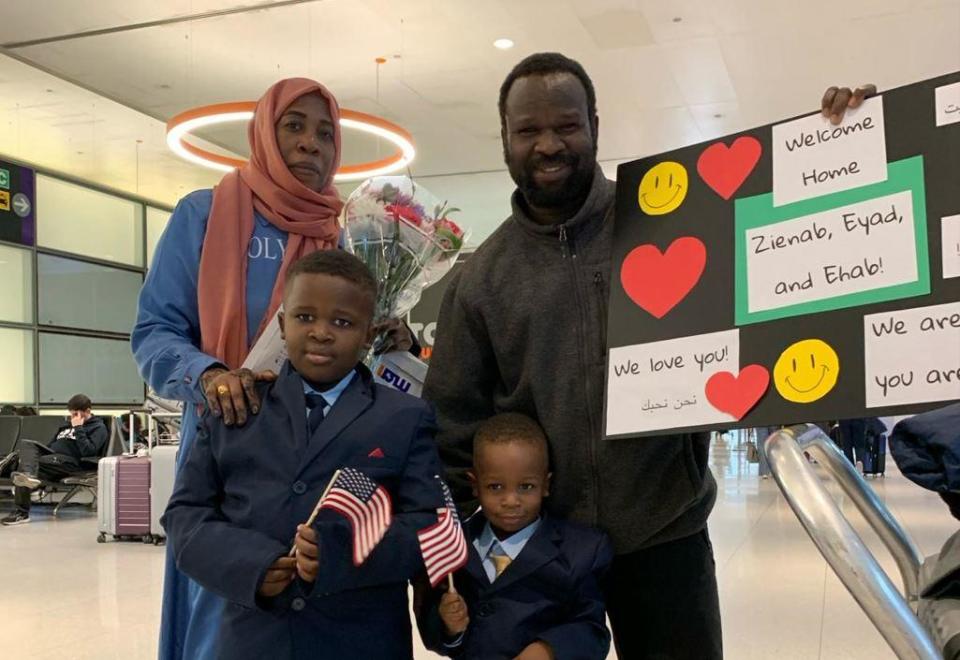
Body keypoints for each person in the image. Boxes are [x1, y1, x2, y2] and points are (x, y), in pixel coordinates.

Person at [423, 51, 875, 659]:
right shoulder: (480, 281)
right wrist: (454, 566)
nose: (548, 144)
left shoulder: (673, 220)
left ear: (595, 127)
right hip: (539, 549)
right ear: (505, 139)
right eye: (528, 129)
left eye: (566, 125)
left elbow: (793, 258)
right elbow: (451, 426)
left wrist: (844, 146)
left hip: (666, 535)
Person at [132, 77, 416, 660]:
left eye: (325, 133)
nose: (312, 144)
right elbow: (154, 333)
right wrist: (210, 377)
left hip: (336, 462)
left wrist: (394, 337)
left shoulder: (356, 233)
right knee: (226, 616)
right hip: (232, 450)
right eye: (295, 126)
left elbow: (362, 339)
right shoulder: (205, 215)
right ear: (263, 132)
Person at [163, 250, 447, 660]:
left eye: (343, 322)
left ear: (369, 334)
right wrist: (250, 564)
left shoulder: (404, 416)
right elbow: (185, 516)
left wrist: (345, 551)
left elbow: (431, 527)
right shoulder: (236, 410)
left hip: (360, 641)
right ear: (282, 325)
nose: (321, 333)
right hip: (249, 642)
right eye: (304, 317)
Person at [417, 413, 612, 659]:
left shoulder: (582, 551)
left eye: (526, 486)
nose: (511, 501)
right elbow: (437, 636)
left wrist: (547, 650)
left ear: (546, 484)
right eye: (495, 487)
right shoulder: (453, 546)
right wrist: (450, 628)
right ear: (475, 484)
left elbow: (593, 631)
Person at [1, 394, 108, 525]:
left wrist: (78, 428)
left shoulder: (98, 428)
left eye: (77, 414)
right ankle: (28, 476)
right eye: (72, 414)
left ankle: (22, 511)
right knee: (26, 446)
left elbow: (89, 451)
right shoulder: (65, 426)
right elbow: (51, 445)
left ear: (88, 411)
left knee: (22, 466)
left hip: (70, 463)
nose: (73, 418)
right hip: (52, 459)